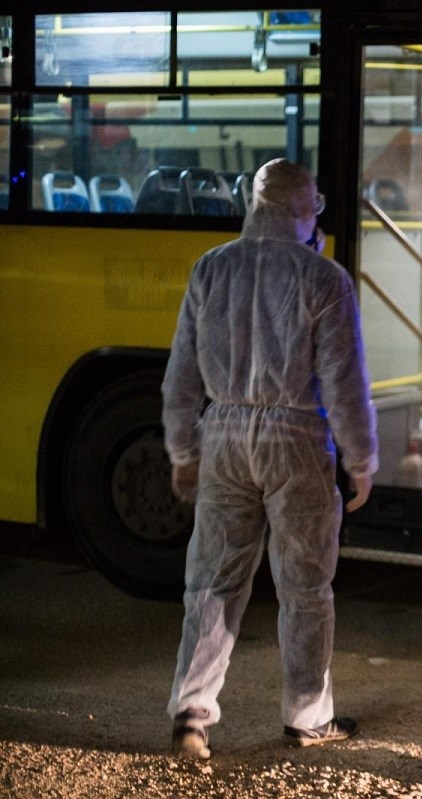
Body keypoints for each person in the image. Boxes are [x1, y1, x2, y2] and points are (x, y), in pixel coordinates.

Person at [161, 158, 377, 760]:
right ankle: (307, 715)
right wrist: (361, 459)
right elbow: (344, 383)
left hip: (223, 434)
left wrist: (184, 449)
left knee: (213, 582)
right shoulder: (324, 278)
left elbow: (180, 375)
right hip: (296, 439)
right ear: (303, 210)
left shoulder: (211, 268)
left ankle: (190, 715)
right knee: (306, 585)